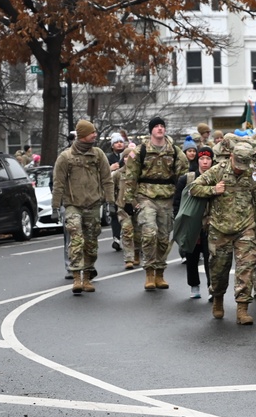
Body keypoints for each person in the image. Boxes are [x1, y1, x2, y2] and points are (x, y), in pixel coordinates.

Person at [189, 141, 256, 324]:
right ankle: (218, 298)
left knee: (246, 268)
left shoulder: (253, 173)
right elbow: (193, 188)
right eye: (237, 165)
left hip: (245, 227)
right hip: (219, 228)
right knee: (218, 269)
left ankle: (242, 308)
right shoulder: (218, 170)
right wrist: (214, 190)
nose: (240, 169)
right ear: (231, 157)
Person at [122, 116, 190, 290]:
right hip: (146, 197)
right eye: (156, 126)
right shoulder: (139, 151)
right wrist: (130, 200)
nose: (160, 129)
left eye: (162, 126)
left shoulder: (175, 151)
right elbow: (130, 176)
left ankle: (160, 272)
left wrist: (181, 198)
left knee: (163, 238)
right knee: (149, 233)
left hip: (167, 198)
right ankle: (149, 272)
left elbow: (183, 176)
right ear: (151, 130)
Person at [51, 120, 114, 294]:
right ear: (82, 135)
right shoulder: (66, 157)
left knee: (91, 243)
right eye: (91, 132)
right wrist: (55, 207)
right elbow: (58, 183)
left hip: (93, 205)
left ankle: (87, 276)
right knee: (76, 239)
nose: (95, 135)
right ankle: (77, 277)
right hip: (73, 205)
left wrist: (110, 202)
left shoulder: (98, 155)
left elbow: (107, 180)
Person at [174, 144, 214, 299]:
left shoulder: (216, 178)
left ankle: (212, 286)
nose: (205, 162)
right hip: (191, 223)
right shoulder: (187, 178)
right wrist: (179, 220)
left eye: (208, 159)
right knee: (191, 255)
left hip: (210, 223)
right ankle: (194, 285)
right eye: (202, 158)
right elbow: (178, 202)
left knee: (211, 256)